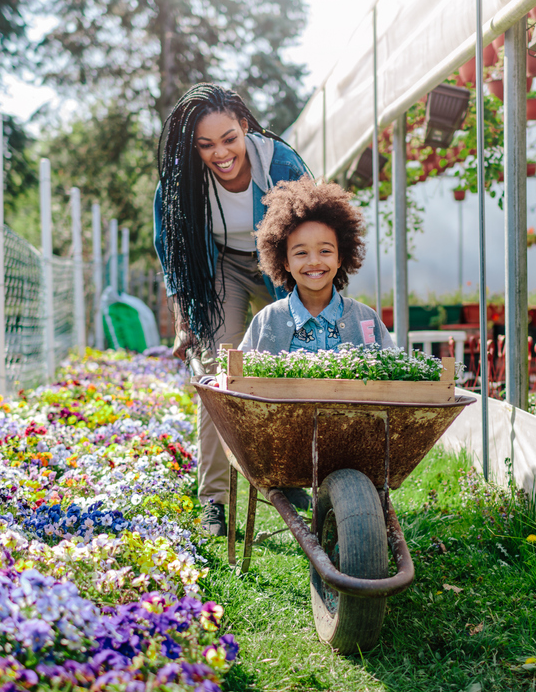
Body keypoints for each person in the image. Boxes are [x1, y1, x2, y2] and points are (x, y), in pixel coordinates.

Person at [153, 83, 311, 536]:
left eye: (228, 139)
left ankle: (287, 474)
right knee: (219, 372)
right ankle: (213, 502)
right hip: (218, 267)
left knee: (297, 357)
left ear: (244, 126)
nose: (220, 153)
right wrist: (185, 322)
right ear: (192, 146)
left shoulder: (280, 164)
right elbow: (173, 253)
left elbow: (313, 233)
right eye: (205, 145)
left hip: (278, 263)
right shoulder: (181, 182)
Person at [241, 177, 393, 355]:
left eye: (325, 251)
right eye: (301, 253)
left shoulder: (366, 319)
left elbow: (395, 374)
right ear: (285, 262)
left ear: (340, 257)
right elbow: (236, 375)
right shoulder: (266, 320)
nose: (314, 261)